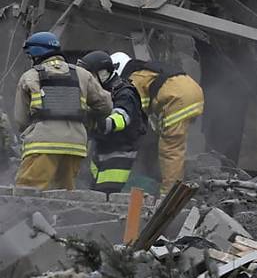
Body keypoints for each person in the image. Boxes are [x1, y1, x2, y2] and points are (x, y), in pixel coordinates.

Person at [14, 32, 112, 190]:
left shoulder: (30, 76)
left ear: (35, 54)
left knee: (27, 192)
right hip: (75, 146)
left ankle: (31, 215)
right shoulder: (82, 74)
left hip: (42, 145)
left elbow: (21, 119)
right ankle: (54, 217)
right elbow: (106, 105)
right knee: (63, 195)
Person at [110, 52, 203, 193]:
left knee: (170, 149)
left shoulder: (133, 80)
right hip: (192, 91)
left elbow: (136, 107)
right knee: (172, 142)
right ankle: (174, 184)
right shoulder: (145, 71)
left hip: (178, 99)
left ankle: (169, 194)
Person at [77, 51, 145, 194]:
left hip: (119, 153)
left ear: (103, 73)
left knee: (106, 195)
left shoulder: (125, 93)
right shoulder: (100, 92)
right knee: (93, 191)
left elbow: (122, 118)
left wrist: (100, 124)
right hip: (101, 149)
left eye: (90, 76)